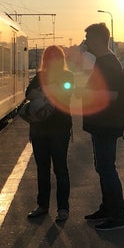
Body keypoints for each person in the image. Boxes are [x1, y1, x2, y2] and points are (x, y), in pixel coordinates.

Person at [79, 22, 124, 231]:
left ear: (99, 39)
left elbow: (114, 95)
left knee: (107, 168)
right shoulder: (101, 61)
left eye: (88, 38)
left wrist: (88, 94)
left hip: (107, 124)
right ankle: (107, 208)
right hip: (101, 124)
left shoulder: (109, 63)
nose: (85, 41)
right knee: (102, 167)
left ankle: (118, 216)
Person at [26, 45, 74, 223]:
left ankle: (63, 208)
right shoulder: (40, 76)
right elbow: (28, 93)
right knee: (42, 169)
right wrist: (52, 90)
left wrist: (44, 91)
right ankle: (43, 205)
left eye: (56, 58)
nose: (52, 61)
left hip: (60, 128)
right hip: (39, 129)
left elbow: (66, 93)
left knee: (60, 169)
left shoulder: (67, 76)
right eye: (50, 58)